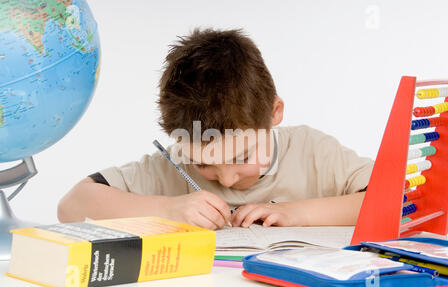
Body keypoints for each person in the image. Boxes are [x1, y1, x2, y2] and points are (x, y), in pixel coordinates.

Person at [58, 28, 373, 230]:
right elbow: (72, 205)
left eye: (241, 156)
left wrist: (297, 215)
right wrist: (168, 209)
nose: (226, 178)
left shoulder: (314, 152)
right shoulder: (172, 165)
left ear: (274, 113)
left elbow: (398, 202)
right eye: (205, 164)